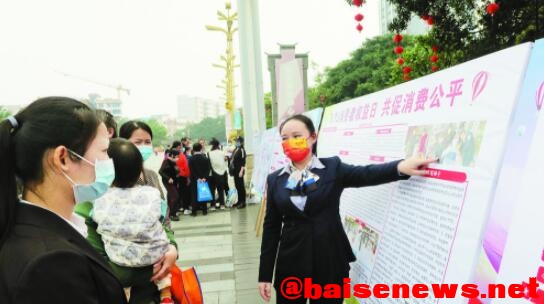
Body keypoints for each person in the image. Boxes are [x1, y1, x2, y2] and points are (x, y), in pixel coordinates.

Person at [258, 114, 436, 303]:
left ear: (313, 137)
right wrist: (265, 275)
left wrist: (400, 167)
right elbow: (271, 229)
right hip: (291, 264)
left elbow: (366, 174)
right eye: (285, 138)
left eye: (296, 136)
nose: (290, 142)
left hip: (330, 261)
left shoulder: (332, 168)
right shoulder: (276, 179)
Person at [0, 97, 126, 303]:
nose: (109, 162)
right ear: (62, 159)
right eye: (104, 151)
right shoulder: (51, 263)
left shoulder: (26, 229)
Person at [92, 138, 174, 304]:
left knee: (122, 288)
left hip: (119, 266)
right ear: (139, 171)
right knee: (164, 278)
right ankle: (166, 296)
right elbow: (162, 220)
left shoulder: (98, 199)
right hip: (155, 260)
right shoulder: (151, 194)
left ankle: (126, 296)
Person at [119, 121, 168, 224]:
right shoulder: (116, 177)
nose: (144, 146)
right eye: (138, 142)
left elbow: (163, 208)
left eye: (147, 142)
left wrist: (169, 237)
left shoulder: (152, 175)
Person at [188, 142, 211, 216]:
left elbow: (191, 170)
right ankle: (204, 211)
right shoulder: (205, 158)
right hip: (204, 179)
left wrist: (197, 178)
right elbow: (208, 169)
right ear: (201, 149)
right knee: (203, 193)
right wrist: (204, 177)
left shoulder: (191, 159)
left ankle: (194, 212)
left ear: (193, 150)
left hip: (194, 179)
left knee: (194, 194)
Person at [159, 148, 181, 221]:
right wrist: (168, 178)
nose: (178, 157)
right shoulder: (166, 161)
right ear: (172, 155)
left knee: (171, 196)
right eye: (176, 156)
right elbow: (160, 171)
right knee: (175, 196)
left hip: (174, 181)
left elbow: (175, 171)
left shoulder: (173, 162)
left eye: (178, 156)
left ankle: (170, 212)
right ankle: (172, 214)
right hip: (167, 181)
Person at [208, 138, 228, 210]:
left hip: (212, 174)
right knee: (220, 190)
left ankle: (213, 206)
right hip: (221, 174)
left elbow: (208, 164)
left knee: (212, 190)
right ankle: (222, 204)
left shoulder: (209, 153)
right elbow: (225, 163)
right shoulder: (222, 152)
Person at [230, 136, 247, 209]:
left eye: (238, 141)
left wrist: (241, 171)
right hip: (235, 171)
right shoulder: (235, 149)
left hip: (240, 171)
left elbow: (243, 161)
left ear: (241, 142)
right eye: (236, 141)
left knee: (241, 187)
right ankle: (239, 201)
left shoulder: (242, 150)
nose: (236, 142)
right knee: (237, 186)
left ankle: (243, 202)